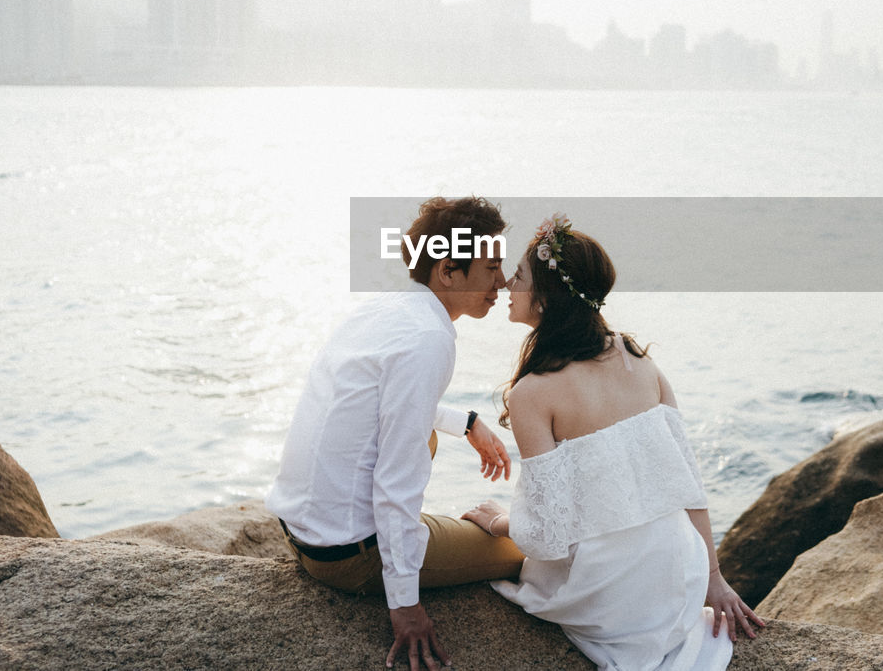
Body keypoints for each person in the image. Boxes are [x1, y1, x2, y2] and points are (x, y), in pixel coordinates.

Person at [463, 214, 764, 670]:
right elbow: (687, 483)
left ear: (546, 297)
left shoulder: (532, 394)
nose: (507, 283)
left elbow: (545, 534)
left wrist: (499, 522)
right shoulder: (641, 363)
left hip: (612, 596)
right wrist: (712, 579)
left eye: (520, 276)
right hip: (677, 577)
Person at [266, 196, 525, 671]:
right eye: (491, 267)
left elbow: (377, 405)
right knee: (516, 549)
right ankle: (415, 547)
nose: (503, 281)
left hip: (302, 534)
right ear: (448, 271)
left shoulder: (386, 310)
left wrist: (464, 422)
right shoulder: (427, 341)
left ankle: (409, 536)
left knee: (423, 437)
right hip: (347, 559)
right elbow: (395, 480)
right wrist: (404, 605)